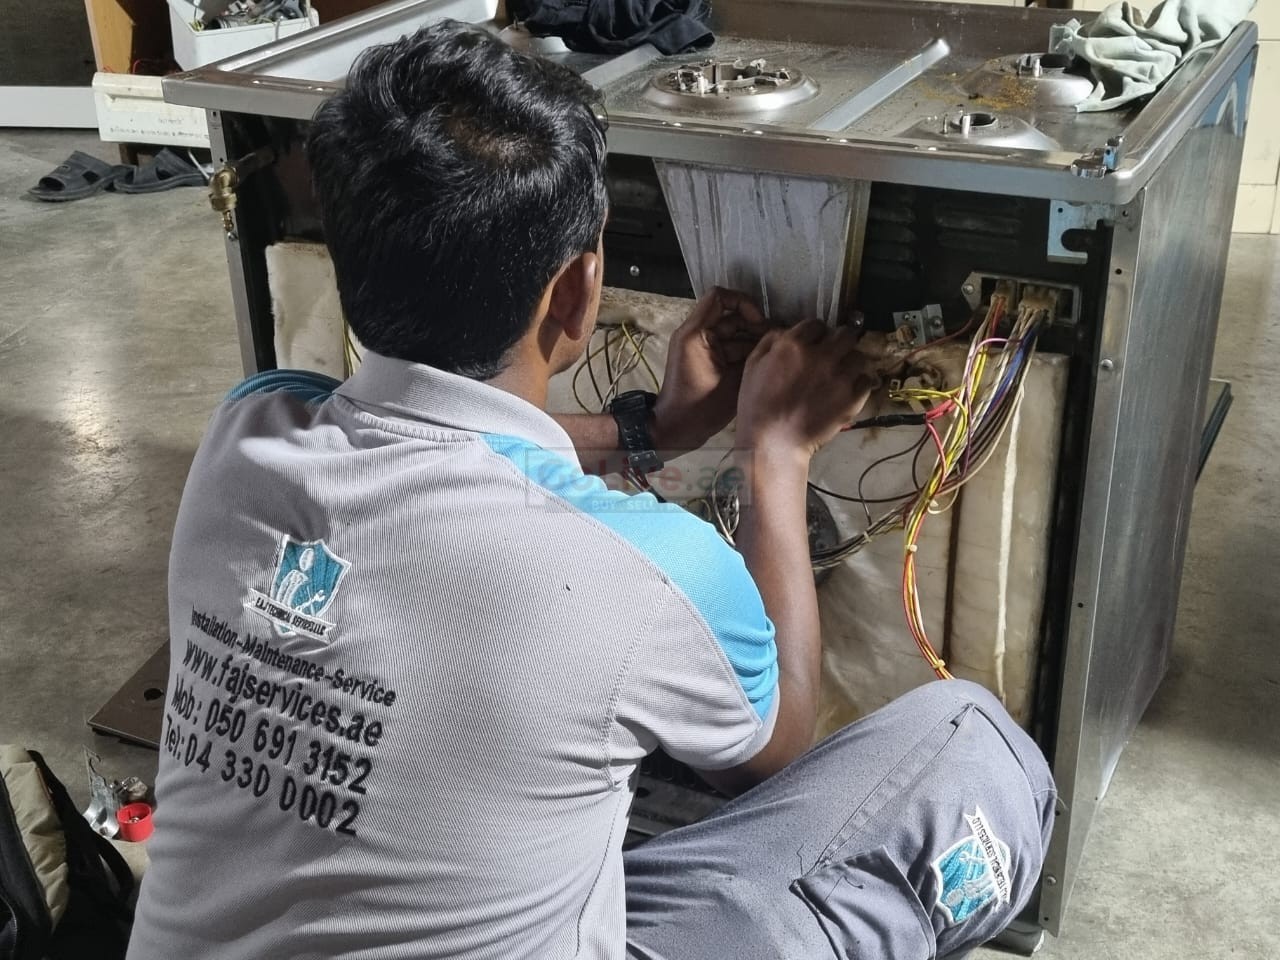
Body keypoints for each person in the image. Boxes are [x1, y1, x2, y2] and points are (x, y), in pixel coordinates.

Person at [127, 19, 1055, 960]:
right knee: (980, 749)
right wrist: (773, 452)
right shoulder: (652, 571)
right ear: (577, 292)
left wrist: (651, 429)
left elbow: (425, 431)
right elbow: (775, 748)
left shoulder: (248, 432)